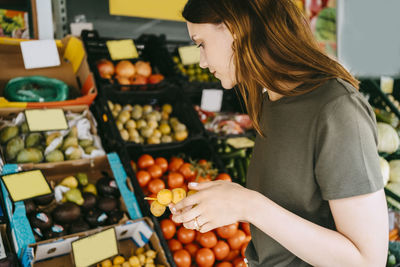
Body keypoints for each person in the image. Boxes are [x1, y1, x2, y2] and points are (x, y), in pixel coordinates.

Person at [170, 0, 389, 266]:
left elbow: (367, 261)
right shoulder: (268, 100)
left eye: (201, 43)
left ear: (235, 30)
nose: (202, 61)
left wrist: (249, 205)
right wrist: (230, 200)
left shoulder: (336, 109)